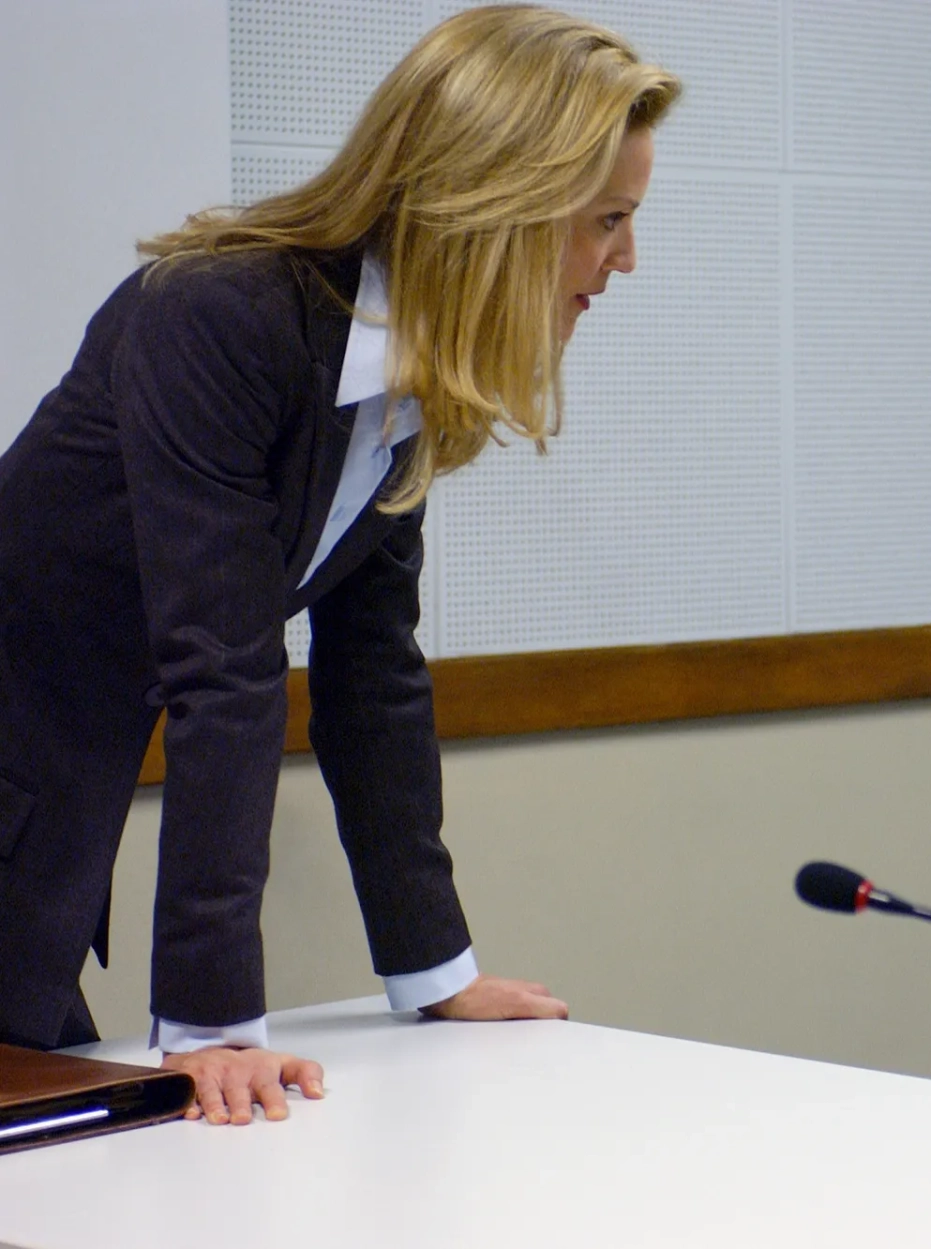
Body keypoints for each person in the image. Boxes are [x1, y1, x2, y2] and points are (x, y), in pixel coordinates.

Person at [0, 6, 679, 1127]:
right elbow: (223, 667)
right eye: (608, 219)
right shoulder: (221, 315)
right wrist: (215, 1024)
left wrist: (436, 973)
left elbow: (371, 674)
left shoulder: (403, 377)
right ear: (502, 203)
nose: (627, 259)